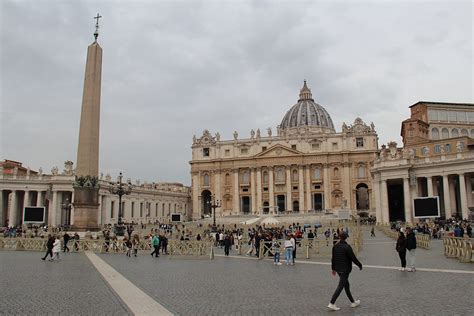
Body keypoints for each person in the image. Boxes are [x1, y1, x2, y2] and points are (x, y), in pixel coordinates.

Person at [328, 232, 362, 311]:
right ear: (346, 237)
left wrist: (333, 269)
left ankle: (353, 302)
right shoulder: (347, 247)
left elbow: (333, 259)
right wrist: (360, 265)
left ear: (339, 237)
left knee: (346, 285)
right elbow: (353, 258)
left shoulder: (335, 246)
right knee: (340, 286)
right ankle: (331, 303)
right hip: (345, 270)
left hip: (338, 269)